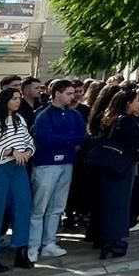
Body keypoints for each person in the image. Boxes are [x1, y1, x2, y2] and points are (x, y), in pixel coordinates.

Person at [0, 87, 35, 273]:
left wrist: (27, 152)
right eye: (13, 98)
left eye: (18, 98)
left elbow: (29, 141)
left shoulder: (20, 120)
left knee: (23, 207)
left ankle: (21, 250)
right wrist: (9, 151)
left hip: (18, 168)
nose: (17, 101)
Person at [30, 78, 87, 258]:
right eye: (69, 93)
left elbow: (81, 137)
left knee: (57, 206)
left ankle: (49, 241)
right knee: (39, 206)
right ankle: (32, 244)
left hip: (66, 163)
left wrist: (63, 138)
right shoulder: (43, 115)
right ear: (57, 94)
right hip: (46, 164)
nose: (73, 96)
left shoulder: (74, 115)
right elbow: (45, 139)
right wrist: (67, 138)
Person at [96, 90, 139, 258]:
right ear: (128, 103)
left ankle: (106, 239)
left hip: (108, 165)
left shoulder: (109, 118)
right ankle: (114, 241)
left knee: (109, 204)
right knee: (119, 205)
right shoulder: (126, 122)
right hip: (122, 167)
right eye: (135, 100)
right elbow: (137, 146)